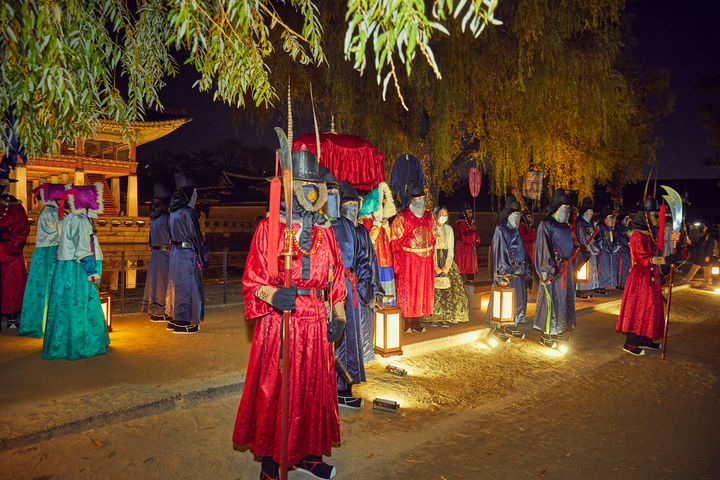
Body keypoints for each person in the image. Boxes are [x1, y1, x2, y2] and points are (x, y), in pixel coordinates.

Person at [233, 149, 347, 480]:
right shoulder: (270, 229)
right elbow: (252, 282)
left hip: (316, 322)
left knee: (314, 390)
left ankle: (309, 454)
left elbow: (336, 277)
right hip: (279, 323)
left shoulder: (327, 232)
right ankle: (271, 463)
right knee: (277, 390)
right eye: (303, 182)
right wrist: (273, 295)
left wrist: (338, 315)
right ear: (289, 185)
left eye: (315, 183)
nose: (310, 189)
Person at [43, 183, 109, 360]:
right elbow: (83, 249)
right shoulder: (80, 221)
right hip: (78, 270)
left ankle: (63, 343)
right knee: (81, 305)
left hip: (67, 268)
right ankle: (82, 344)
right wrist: (91, 271)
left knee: (65, 305)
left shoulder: (71, 218)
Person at [616, 198, 680, 355]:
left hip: (650, 277)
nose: (657, 218)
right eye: (654, 215)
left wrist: (672, 252)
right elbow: (643, 258)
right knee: (638, 308)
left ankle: (644, 337)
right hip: (640, 278)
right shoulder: (637, 235)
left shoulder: (649, 234)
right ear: (645, 215)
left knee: (651, 307)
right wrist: (665, 259)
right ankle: (630, 343)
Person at [332, 179, 374, 407]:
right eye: (347, 204)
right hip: (343, 288)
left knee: (349, 338)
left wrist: (368, 286)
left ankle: (345, 386)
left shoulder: (355, 229)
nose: (352, 209)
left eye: (355, 205)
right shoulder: (336, 226)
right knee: (343, 339)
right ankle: (341, 387)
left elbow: (365, 260)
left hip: (350, 288)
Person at [19, 183, 65, 337]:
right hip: (52, 253)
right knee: (53, 287)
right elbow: (63, 235)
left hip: (40, 253)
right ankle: (51, 324)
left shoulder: (45, 212)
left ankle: (36, 323)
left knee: (38, 288)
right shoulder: (55, 214)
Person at [165, 172, 209, 334]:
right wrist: (204, 257)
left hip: (175, 253)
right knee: (189, 287)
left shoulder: (172, 212)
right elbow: (196, 237)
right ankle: (184, 323)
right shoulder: (188, 213)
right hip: (187, 254)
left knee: (175, 286)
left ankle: (174, 319)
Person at [534, 189, 578, 346]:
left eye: (569, 206)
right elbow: (542, 248)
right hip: (554, 271)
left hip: (567, 272)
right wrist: (547, 270)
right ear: (557, 207)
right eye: (564, 206)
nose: (567, 209)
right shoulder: (546, 225)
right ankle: (547, 335)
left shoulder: (566, 227)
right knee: (550, 301)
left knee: (564, 301)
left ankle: (558, 330)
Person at [391, 183, 436, 332]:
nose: (422, 201)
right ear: (411, 201)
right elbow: (395, 242)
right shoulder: (402, 218)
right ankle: (408, 321)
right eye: (418, 198)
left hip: (426, 261)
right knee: (410, 289)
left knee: (423, 289)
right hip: (409, 260)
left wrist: (429, 255)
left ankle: (418, 320)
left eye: (423, 198)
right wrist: (397, 263)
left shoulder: (429, 217)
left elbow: (434, 237)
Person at [488, 195, 530, 338]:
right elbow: (500, 251)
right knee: (504, 299)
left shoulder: (517, 230)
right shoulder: (501, 229)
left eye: (519, 214)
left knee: (517, 300)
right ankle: (499, 326)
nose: (517, 216)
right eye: (515, 213)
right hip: (507, 271)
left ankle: (513, 324)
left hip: (519, 271)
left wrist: (527, 270)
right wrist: (503, 272)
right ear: (509, 214)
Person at [427, 205, 469, 326]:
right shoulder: (431, 229)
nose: (443, 217)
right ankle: (434, 317)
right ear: (436, 215)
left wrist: (447, 266)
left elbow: (451, 249)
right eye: (441, 214)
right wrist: (435, 266)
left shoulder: (449, 229)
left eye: (446, 214)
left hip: (446, 260)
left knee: (449, 289)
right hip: (433, 260)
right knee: (434, 290)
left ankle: (446, 316)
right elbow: (431, 249)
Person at [358, 181, 397, 306]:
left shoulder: (382, 220)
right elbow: (367, 242)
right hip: (373, 261)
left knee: (388, 292)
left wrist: (386, 227)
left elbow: (391, 239)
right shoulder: (363, 221)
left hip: (386, 260)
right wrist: (376, 226)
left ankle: (388, 311)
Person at [0, 170, 30, 330]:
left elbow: (23, 229)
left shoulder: (16, 205)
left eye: (3, 181)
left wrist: (10, 245)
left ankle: (12, 318)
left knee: (11, 286)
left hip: (11, 252)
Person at [142, 181, 172, 324]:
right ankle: (161, 311)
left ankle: (156, 310)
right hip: (165, 252)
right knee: (163, 282)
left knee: (154, 282)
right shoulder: (167, 217)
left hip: (155, 252)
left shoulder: (154, 218)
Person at [575, 198, 603, 298]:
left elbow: (594, 236)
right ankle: (581, 289)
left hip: (592, 250)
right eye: (589, 210)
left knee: (591, 270)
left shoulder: (589, 223)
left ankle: (589, 287)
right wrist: (588, 247)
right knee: (583, 271)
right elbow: (581, 236)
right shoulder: (580, 222)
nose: (591, 213)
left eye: (592, 211)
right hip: (584, 250)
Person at [455, 202, 481, 283]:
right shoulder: (460, 223)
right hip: (463, 250)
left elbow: (476, 236)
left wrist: (476, 237)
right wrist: (473, 236)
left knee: (471, 269)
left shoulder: (471, 223)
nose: (470, 214)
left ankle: (470, 287)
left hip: (470, 250)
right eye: (468, 212)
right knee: (461, 268)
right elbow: (463, 238)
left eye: (471, 212)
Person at [684, 222, 714, 289]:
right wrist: (691, 243)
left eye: (704, 225)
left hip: (705, 255)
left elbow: (710, 246)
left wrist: (708, 256)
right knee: (694, 266)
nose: (703, 226)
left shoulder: (709, 235)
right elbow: (697, 245)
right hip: (700, 254)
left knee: (707, 270)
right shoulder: (702, 234)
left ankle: (706, 283)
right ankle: (687, 279)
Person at [596, 208, 620, 291]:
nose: (612, 219)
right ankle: (600, 286)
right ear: (605, 218)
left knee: (606, 269)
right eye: (610, 217)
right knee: (602, 269)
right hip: (603, 252)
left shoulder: (609, 228)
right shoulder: (602, 227)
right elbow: (601, 240)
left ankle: (605, 285)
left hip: (608, 252)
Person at [615, 210, 632, 289]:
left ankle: (624, 283)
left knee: (626, 267)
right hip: (621, 249)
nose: (628, 221)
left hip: (626, 249)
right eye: (626, 219)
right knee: (622, 267)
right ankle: (621, 284)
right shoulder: (620, 227)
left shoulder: (624, 227)